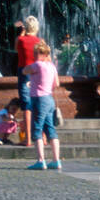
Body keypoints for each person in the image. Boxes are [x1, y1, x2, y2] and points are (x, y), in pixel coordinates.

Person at [24, 40, 62, 171]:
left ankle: (41, 161)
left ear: (42, 54)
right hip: (49, 99)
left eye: (36, 53)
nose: (34, 55)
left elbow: (24, 71)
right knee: (50, 129)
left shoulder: (38, 65)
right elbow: (56, 83)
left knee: (37, 128)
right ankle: (56, 160)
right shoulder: (52, 66)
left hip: (38, 99)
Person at [16, 17, 40, 146]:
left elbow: (16, 49)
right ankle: (43, 137)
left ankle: (28, 139)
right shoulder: (40, 41)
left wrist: (22, 32)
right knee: (38, 104)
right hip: (37, 74)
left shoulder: (20, 40)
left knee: (26, 106)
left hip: (24, 73)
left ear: (25, 27)